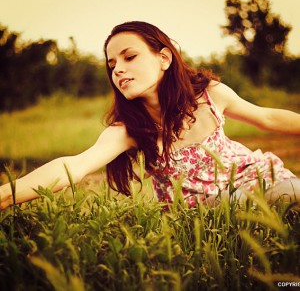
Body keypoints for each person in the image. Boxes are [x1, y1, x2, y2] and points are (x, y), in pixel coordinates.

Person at [0, 21, 300, 210]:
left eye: (130, 57)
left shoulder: (209, 95)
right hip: (207, 208)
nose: (118, 68)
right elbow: (74, 167)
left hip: (258, 178)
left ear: (164, 58)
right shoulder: (127, 130)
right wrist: (4, 195)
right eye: (112, 63)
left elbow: (268, 118)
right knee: (240, 207)